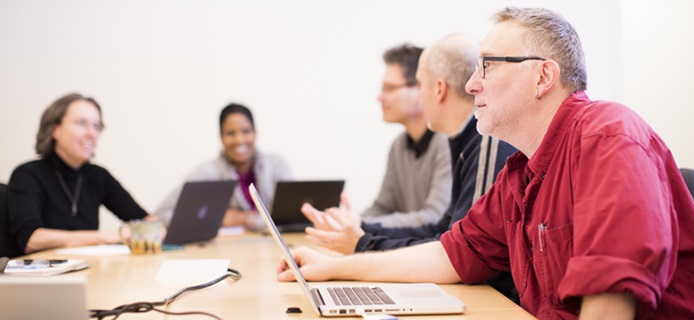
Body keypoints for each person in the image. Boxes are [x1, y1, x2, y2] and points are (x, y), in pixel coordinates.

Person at [278, 7, 694, 319]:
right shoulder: (521, 174)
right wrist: (332, 268)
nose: (471, 84)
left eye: (487, 66)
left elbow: (611, 295)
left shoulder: (608, 135)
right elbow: (452, 255)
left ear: (543, 77)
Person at [300, 34, 516, 256]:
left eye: (389, 88)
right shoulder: (453, 139)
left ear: (438, 89)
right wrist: (358, 228)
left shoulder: (482, 140)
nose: (380, 97)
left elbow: (465, 252)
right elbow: (444, 230)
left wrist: (364, 243)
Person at [4, 93, 151, 255]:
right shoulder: (28, 174)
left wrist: (157, 227)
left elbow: (143, 220)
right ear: (55, 130)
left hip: (87, 271)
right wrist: (107, 237)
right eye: (82, 124)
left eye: (96, 126)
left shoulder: (99, 176)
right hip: (43, 275)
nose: (91, 134)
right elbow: (31, 239)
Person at [156, 103, 292, 230]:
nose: (239, 140)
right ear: (221, 137)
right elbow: (162, 214)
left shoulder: (276, 165)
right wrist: (217, 218)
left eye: (246, 131)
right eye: (230, 133)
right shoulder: (208, 172)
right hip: (228, 250)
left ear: (255, 133)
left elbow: (293, 214)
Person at [359, 44, 452, 228]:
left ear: (420, 90)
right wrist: (347, 222)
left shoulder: (447, 143)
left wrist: (363, 225)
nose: (380, 97)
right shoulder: (399, 145)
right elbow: (382, 207)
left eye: (389, 88)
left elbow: (436, 216)